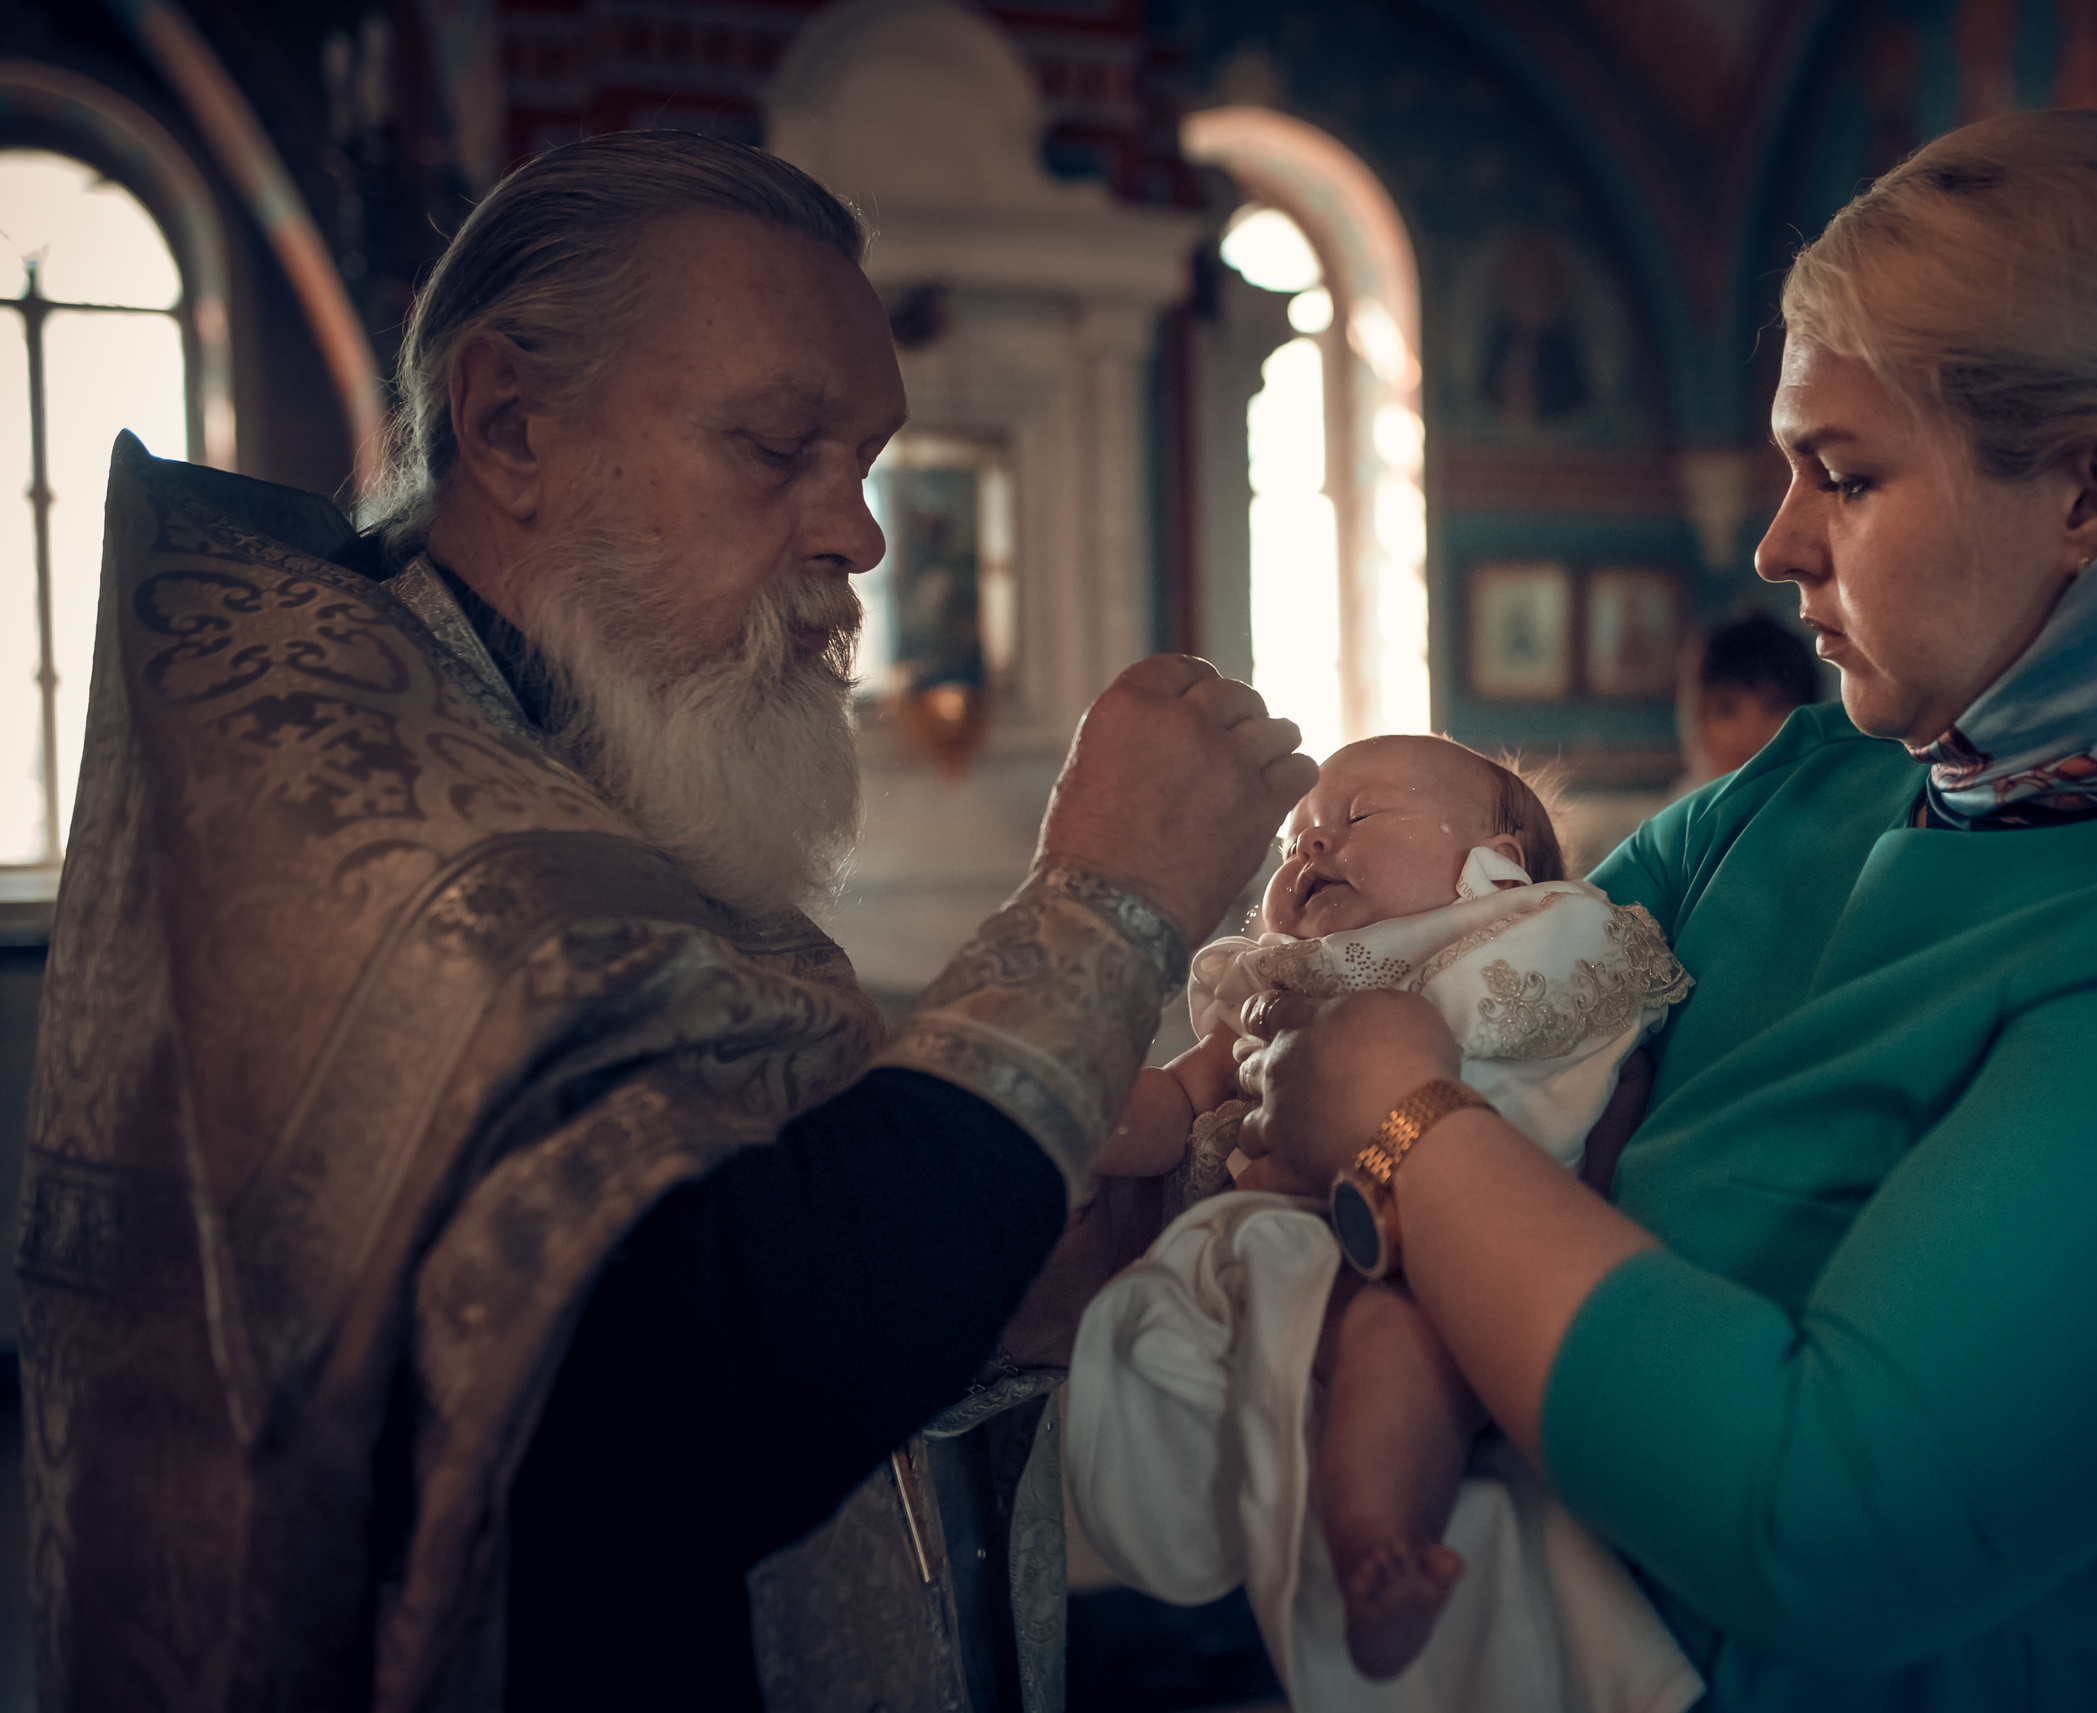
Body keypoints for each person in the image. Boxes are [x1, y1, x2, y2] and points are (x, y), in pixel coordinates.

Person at [17, 132, 1314, 1711]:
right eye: (778, 447)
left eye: (867, 463)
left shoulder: (554, 750)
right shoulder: (359, 808)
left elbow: (696, 1281)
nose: (860, 537)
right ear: (505, 426)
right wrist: (1110, 899)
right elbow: (663, 1400)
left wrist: (988, 1298)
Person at [1224, 109, 2097, 1712]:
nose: (1777, 545)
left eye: (1845, 474)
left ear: (2092, 488)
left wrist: (1405, 1131)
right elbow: (1496, 999)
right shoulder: (1821, 777)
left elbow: (1829, 1524)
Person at [1067, 737, 1691, 1703]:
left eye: (1356, 819)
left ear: (1496, 860)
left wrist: (1595, 1198)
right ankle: (1373, 1552)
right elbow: (1176, 1100)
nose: (1310, 848)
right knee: (1375, 1340)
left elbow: (1619, 1080)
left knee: (1404, 1342)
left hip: (1480, 1255)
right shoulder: (1279, 987)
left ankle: (1382, 1551)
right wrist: (1072, 1115)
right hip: (1314, 1267)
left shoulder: (1548, 940)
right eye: (1293, 841)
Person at [1675, 610, 1822, 788]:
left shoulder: (1828, 805)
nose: (1750, 732)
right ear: (1698, 717)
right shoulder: (1682, 812)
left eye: (1773, 708)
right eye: (1727, 709)